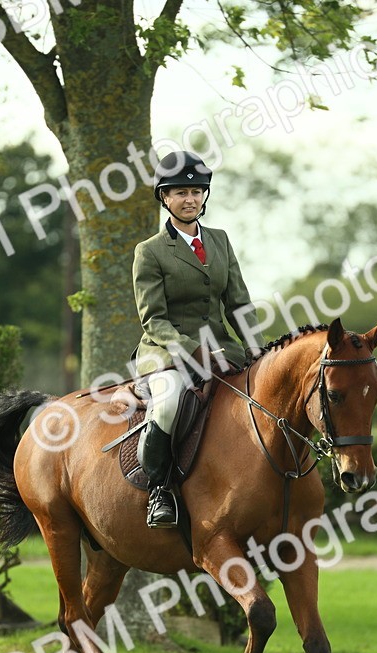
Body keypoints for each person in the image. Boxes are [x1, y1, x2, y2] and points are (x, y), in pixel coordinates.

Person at [131, 150, 261, 528]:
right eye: (179, 192)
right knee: (170, 402)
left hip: (225, 349)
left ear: (205, 195)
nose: (189, 199)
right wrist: (196, 351)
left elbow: (239, 304)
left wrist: (257, 349)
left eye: (196, 191)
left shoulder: (220, 241)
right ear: (164, 198)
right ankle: (160, 489)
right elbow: (153, 319)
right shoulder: (150, 252)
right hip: (168, 352)